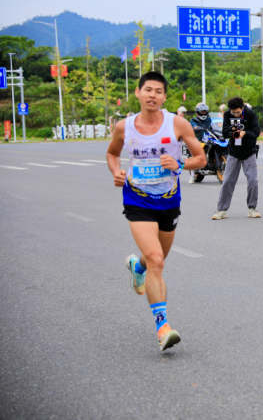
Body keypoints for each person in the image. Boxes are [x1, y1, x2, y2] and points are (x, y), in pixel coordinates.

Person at [106, 71, 207, 351]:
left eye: (158, 91)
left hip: (168, 201)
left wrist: (180, 165)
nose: (152, 95)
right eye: (147, 90)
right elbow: (112, 154)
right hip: (137, 200)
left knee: (156, 258)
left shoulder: (178, 124)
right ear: (138, 93)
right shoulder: (124, 127)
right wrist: (116, 172)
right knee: (157, 261)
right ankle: (163, 327)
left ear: (164, 97)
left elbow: (201, 158)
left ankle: (137, 267)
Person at [211, 97, 261, 220]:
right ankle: (221, 209)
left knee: (253, 180)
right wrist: (230, 131)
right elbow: (224, 133)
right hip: (233, 152)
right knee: (227, 180)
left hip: (249, 152)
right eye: (234, 113)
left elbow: (256, 132)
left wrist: (245, 133)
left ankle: (252, 208)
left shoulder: (250, 114)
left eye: (238, 112)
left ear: (242, 108)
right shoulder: (228, 114)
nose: (236, 115)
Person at [188, 103, 213, 184]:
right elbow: (194, 127)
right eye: (201, 112)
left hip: (208, 139)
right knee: (194, 156)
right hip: (197, 140)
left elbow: (213, 127)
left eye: (204, 112)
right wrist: (198, 128)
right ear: (198, 112)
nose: (203, 113)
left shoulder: (209, 119)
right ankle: (192, 175)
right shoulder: (193, 120)